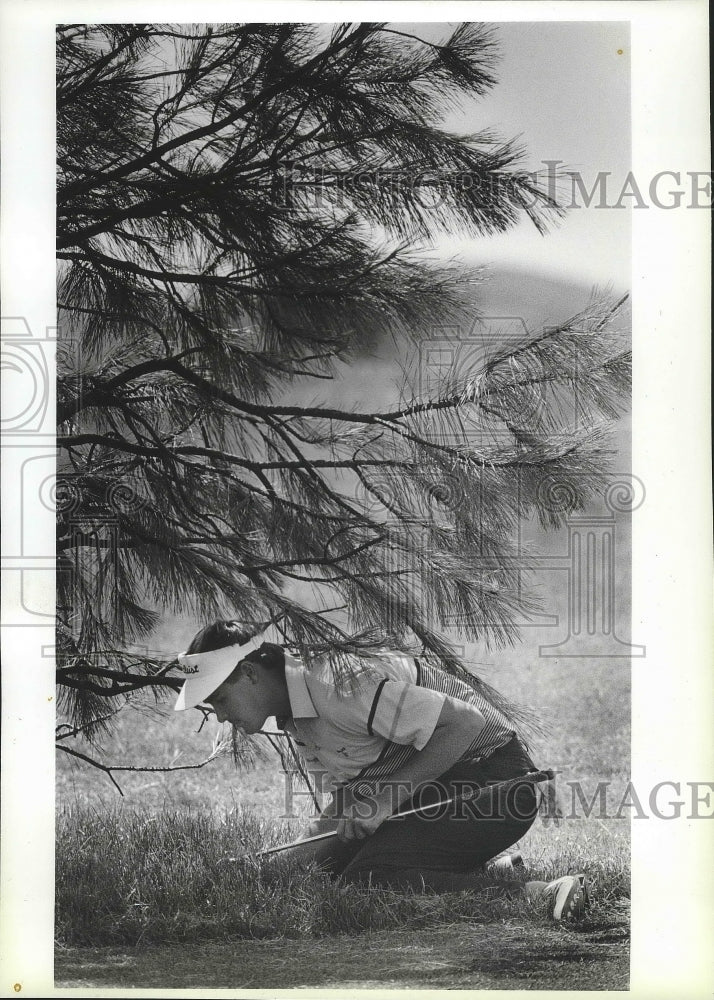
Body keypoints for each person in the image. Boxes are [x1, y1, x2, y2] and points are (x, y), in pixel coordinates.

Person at [174, 620, 589, 922]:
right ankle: (482, 864)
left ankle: (535, 895)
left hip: (496, 784)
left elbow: (466, 724)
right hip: (442, 791)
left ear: (248, 674)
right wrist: (278, 869)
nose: (222, 717)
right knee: (329, 867)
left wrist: (384, 802)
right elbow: (346, 804)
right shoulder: (293, 715)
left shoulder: (336, 685)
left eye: (220, 701)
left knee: (372, 875)